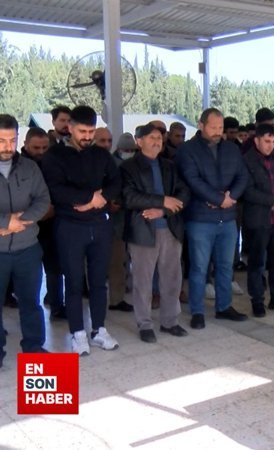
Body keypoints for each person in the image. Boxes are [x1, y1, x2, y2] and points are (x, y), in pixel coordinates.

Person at [41, 105, 122, 355]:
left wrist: (100, 199)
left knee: (98, 281)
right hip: (70, 227)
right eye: (82, 132)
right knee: (74, 282)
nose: (87, 137)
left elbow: (116, 181)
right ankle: (77, 333)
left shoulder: (100, 154)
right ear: (70, 128)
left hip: (99, 225)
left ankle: (99, 330)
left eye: (91, 132)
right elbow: (55, 190)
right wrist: (89, 197)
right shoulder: (54, 156)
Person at [176, 108, 249, 329]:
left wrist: (230, 198)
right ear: (201, 125)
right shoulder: (187, 150)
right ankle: (197, 311)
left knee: (226, 266)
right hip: (200, 219)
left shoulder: (231, 149)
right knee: (199, 268)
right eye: (213, 127)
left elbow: (243, 176)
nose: (218, 132)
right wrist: (218, 199)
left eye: (220, 127)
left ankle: (224, 307)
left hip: (227, 218)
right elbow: (192, 180)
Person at [120, 123, 191, 342]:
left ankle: (170, 321)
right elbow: (129, 197)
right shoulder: (128, 167)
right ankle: (144, 324)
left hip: (170, 228)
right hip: (143, 231)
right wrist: (162, 200)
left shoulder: (169, 165)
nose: (157, 142)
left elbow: (184, 192)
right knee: (143, 281)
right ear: (139, 141)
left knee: (172, 279)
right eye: (151, 138)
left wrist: (163, 210)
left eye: (159, 138)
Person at [0, 114, 51, 368]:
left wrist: (21, 221)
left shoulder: (30, 168)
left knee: (31, 302)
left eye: (12, 140)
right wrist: (4, 222)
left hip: (27, 248)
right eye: (1, 141)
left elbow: (43, 200)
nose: (7, 146)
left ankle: (33, 347)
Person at [241, 124, 274, 316]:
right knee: (257, 263)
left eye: (273, 141)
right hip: (259, 220)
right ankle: (257, 301)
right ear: (256, 140)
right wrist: (273, 201)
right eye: (266, 141)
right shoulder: (246, 160)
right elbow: (247, 191)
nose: (270, 145)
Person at [19, 127, 65, 319]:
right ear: (25, 145)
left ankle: (57, 306)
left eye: (45, 147)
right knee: (27, 274)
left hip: (51, 225)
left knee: (54, 268)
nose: (41, 152)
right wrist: (37, 213)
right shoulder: (17, 166)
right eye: (36, 148)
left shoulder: (52, 163)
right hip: (25, 227)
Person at [108, 132, 138, 313]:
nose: (128, 153)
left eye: (131, 150)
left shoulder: (138, 164)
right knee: (117, 263)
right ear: (118, 149)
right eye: (125, 150)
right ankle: (116, 299)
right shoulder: (110, 164)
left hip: (135, 220)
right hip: (116, 222)